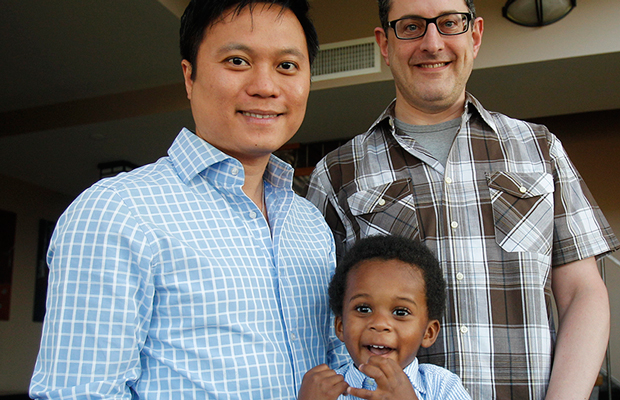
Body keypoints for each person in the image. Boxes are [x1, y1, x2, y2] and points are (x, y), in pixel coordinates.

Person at [29, 1, 346, 398]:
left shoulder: (308, 223)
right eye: (237, 60)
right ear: (189, 76)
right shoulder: (117, 212)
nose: (266, 86)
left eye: (287, 66)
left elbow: (339, 365)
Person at [306, 0, 620, 399]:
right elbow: (319, 320)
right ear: (385, 44)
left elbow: (583, 293)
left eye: (449, 23)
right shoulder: (337, 173)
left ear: (475, 34)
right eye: (411, 26)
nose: (432, 43)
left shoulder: (539, 149)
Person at [299, 235, 472, 400]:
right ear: (340, 326)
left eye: (401, 312)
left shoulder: (441, 387)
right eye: (363, 308)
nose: (380, 324)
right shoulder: (323, 391)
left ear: (428, 332)